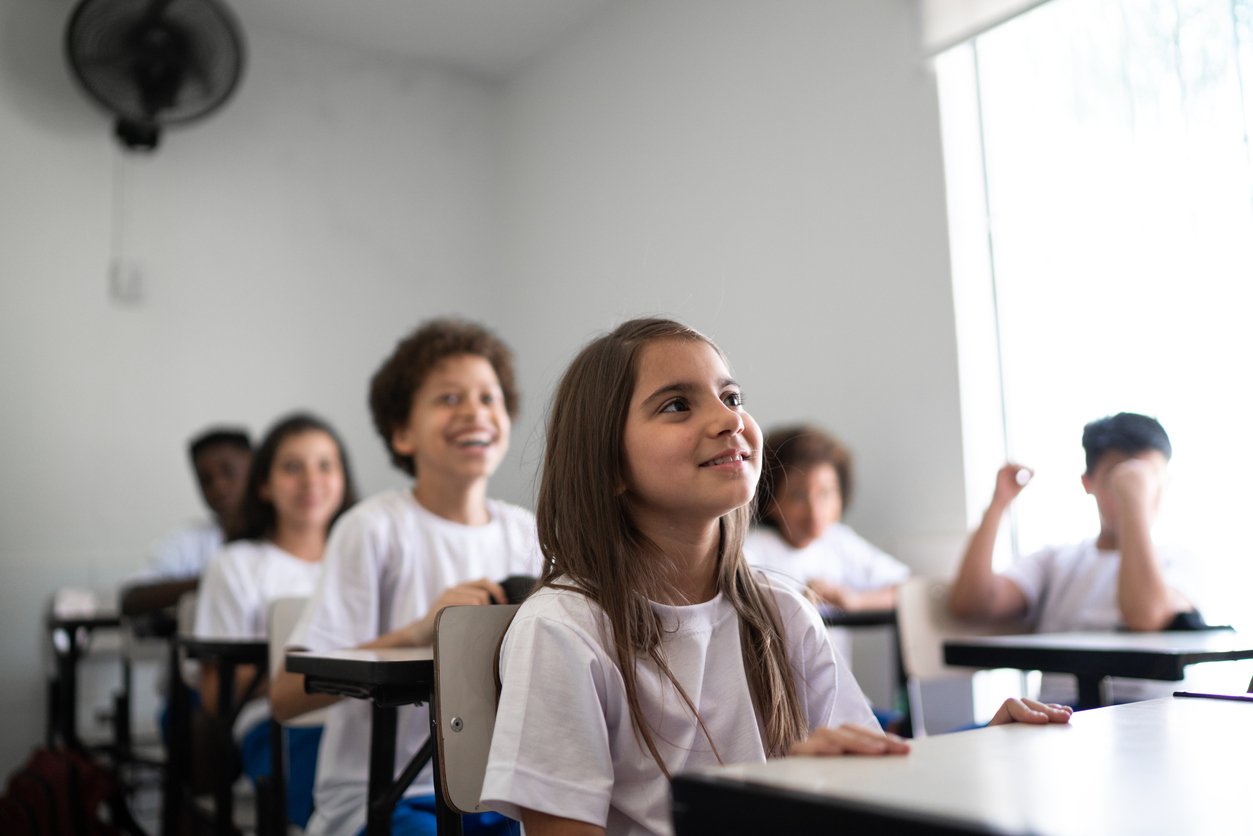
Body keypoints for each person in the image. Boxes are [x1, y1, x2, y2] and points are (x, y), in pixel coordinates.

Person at [479, 318, 1071, 836]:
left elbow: (870, 780)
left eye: (731, 396)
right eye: (677, 404)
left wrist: (979, 755)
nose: (727, 419)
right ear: (609, 466)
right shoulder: (563, 630)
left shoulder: (783, 609)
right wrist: (774, 802)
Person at [271, 319, 540, 836]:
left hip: (503, 793)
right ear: (402, 432)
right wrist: (419, 632)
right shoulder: (370, 528)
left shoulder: (528, 532)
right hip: (385, 796)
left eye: (490, 397)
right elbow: (286, 697)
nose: (474, 412)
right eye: (448, 398)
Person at [949, 412, 1200, 704]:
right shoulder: (1057, 561)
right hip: (1057, 715)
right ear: (1088, 483)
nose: (1136, 490)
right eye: (1118, 480)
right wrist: (998, 504)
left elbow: (1145, 616)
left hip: (1146, 718)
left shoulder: (1182, 562)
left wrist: (1133, 505)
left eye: (1146, 479)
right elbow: (972, 603)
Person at [193, 413, 357, 829]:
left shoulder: (362, 563)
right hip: (278, 728)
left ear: (343, 479)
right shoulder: (236, 565)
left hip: (362, 719)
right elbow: (215, 693)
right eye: (292, 467)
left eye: (326, 465)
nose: (311, 480)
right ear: (263, 484)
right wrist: (318, 668)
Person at [746, 424, 909, 611]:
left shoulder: (838, 541)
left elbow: (908, 589)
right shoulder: (753, 550)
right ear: (770, 501)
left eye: (826, 493)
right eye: (798, 496)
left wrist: (854, 600)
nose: (815, 511)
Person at [143, 428, 252, 579]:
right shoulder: (186, 541)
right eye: (206, 480)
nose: (218, 487)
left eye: (228, 472)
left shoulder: (284, 534)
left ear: (257, 470)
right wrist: (214, 583)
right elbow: (133, 594)